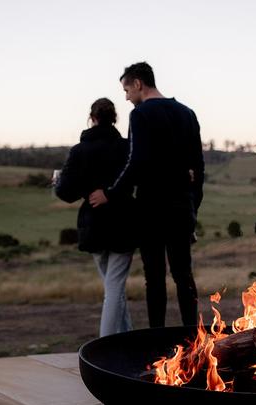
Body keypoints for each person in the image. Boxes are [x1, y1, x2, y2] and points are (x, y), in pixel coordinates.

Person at [89, 62, 205, 328]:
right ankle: (194, 337)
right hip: (181, 207)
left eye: (127, 89)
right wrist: (192, 207)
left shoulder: (141, 114)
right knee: (183, 275)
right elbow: (198, 168)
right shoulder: (188, 113)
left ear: (138, 84)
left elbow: (136, 161)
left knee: (155, 277)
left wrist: (111, 193)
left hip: (151, 208)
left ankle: (157, 342)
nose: (127, 97)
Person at [55, 98, 135, 337]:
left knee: (112, 289)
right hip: (123, 223)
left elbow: (65, 192)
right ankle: (117, 339)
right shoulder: (126, 147)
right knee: (114, 288)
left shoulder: (79, 151)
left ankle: (112, 341)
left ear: (92, 118)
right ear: (114, 119)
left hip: (94, 225)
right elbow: (134, 178)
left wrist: (59, 183)